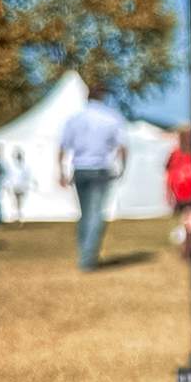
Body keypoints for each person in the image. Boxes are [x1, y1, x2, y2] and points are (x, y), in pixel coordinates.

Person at [58, 82, 128, 269]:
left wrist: (61, 172)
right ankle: (88, 258)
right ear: (103, 97)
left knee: (86, 213)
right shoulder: (111, 118)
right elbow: (122, 147)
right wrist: (122, 167)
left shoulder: (75, 119)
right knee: (96, 213)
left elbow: (63, 147)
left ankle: (85, 252)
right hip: (101, 169)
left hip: (80, 169)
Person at [166, 127, 191, 255]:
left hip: (186, 192)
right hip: (186, 193)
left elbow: (169, 174)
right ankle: (189, 247)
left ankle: (188, 247)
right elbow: (169, 173)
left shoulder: (178, 153)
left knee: (188, 219)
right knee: (189, 220)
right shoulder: (177, 153)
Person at [7, 146, 33, 224]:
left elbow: (28, 176)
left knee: (19, 202)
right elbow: (10, 176)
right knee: (16, 201)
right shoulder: (14, 165)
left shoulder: (25, 166)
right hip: (16, 186)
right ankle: (18, 216)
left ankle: (19, 216)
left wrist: (28, 185)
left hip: (21, 186)